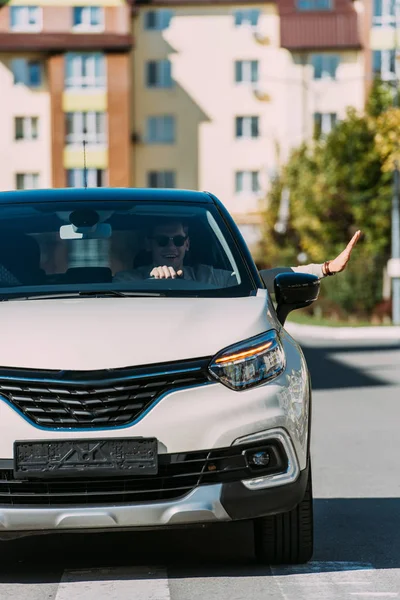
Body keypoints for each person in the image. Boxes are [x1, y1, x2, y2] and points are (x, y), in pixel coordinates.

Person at [113, 219, 361, 293]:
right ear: (149, 245)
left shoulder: (208, 277)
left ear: (187, 244)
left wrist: (326, 268)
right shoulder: (125, 282)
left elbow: (264, 279)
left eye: (178, 240)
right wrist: (150, 283)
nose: (171, 246)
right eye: (162, 240)